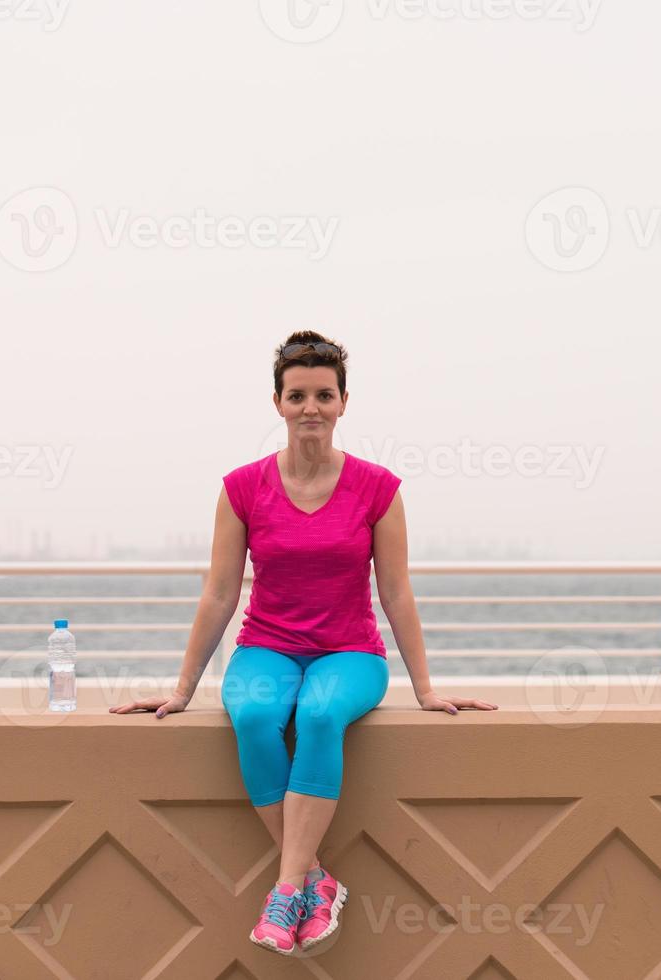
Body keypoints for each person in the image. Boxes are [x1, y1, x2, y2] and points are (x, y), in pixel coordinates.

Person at [110, 331, 497, 956]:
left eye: (323, 394)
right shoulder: (242, 488)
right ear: (278, 403)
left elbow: (396, 593)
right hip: (267, 647)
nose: (310, 407)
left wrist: (425, 689)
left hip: (352, 655)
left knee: (319, 716)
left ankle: (288, 888)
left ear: (344, 402)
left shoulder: (378, 489)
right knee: (257, 714)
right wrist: (183, 689)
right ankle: (316, 880)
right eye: (298, 395)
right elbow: (218, 594)